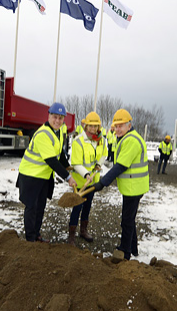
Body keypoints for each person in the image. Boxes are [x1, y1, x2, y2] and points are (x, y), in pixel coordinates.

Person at [93, 109, 149, 263]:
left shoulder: (131, 140)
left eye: (121, 126)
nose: (117, 129)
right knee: (130, 218)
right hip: (133, 185)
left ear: (129, 125)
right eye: (116, 126)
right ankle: (133, 247)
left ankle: (125, 251)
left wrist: (102, 183)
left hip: (134, 187)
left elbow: (120, 166)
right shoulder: (126, 138)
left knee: (126, 220)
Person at [17, 102, 77, 242]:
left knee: (41, 206)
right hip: (30, 175)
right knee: (31, 207)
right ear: (49, 116)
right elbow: (51, 160)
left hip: (43, 176)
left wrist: (67, 167)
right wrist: (68, 177)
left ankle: (36, 234)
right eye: (54, 117)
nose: (57, 121)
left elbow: (59, 153)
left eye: (60, 118)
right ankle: (30, 239)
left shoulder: (59, 131)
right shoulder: (43, 134)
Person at [68, 111, 107, 245]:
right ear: (86, 126)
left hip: (92, 182)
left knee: (88, 206)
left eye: (95, 126)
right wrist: (86, 174)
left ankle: (83, 231)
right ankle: (71, 235)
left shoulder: (101, 140)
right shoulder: (78, 141)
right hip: (80, 182)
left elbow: (104, 154)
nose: (93, 128)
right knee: (77, 207)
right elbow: (76, 163)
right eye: (90, 126)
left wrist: (98, 165)